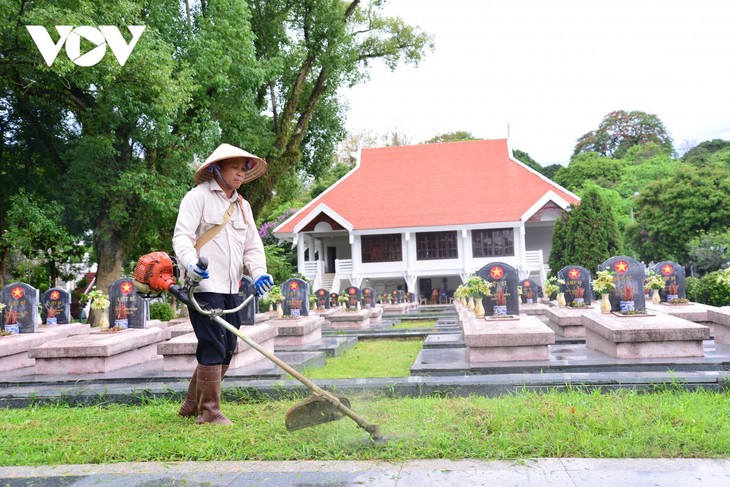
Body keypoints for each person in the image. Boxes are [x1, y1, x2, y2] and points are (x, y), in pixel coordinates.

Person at [172, 143, 274, 425]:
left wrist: (259, 272)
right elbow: (182, 237)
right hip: (203, 286)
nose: (240, 174)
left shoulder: (243, 207)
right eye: (235, 168)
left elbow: (252, 246)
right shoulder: (197, 198)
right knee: (213, 344)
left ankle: (191, 404)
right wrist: (190, 262)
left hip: (231, 288)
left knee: (228, 345)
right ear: (217, 168)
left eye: (243, 169)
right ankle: (210, 412)